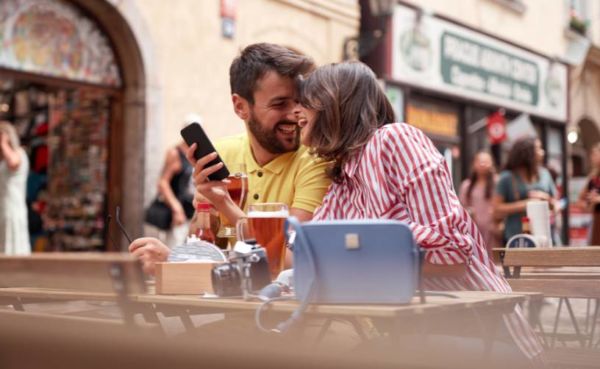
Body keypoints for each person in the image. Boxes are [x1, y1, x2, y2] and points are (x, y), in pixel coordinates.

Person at [294, 61, 543, 365]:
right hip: (417, 333)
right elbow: (310, 254)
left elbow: (451, 252)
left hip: (481, 330)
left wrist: (360, 259)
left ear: (336, 101)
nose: (296, 110)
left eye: (307, 100)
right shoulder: (345, 177)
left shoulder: (393, 139)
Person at [130, 43, 331, 274]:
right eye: (280, 104)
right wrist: (203, 216)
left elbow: (289, 262)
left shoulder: (318, 160)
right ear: (240, 106)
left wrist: (223, 204)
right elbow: (208, 246)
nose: (295, 113)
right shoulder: (221, 154)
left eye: (300, 101)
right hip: (233, 306)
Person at [493, 137, 557, 245]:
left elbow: (556, 204)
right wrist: (527, 203)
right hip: (517, 239)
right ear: (527, 153)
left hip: (545, 236)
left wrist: (545, 198)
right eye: (538, 148)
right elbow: (496, 209)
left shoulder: (545, 174)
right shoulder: (507, 177)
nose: (542, 152)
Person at [151, 137, 195, 247]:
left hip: (190, 211)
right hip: (177, 213)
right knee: (175, 249)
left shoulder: (195, 152)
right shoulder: (175, 153)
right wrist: (176, 208)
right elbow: (163, 183)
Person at [0, 121, 31, 255]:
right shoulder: (4, 160)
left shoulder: (18, 154)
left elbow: (13, 163)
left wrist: (3, 143)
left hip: (12, 208)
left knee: (12, 247)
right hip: (4, 207)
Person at [459, 151, 498, 253]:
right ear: (474, 164)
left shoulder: (497, 183)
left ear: (491, 163)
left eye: (486, 161)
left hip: (493, 231)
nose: (482, 164)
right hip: (473, 231)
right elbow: (462, 208)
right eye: (479, 161)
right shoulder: (466, 186)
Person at [578, 143, 600, 245]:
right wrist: (590, 205)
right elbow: (581, 200)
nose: (592, 157)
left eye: (595, 154)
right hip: (596, 220)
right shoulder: (593, 178)